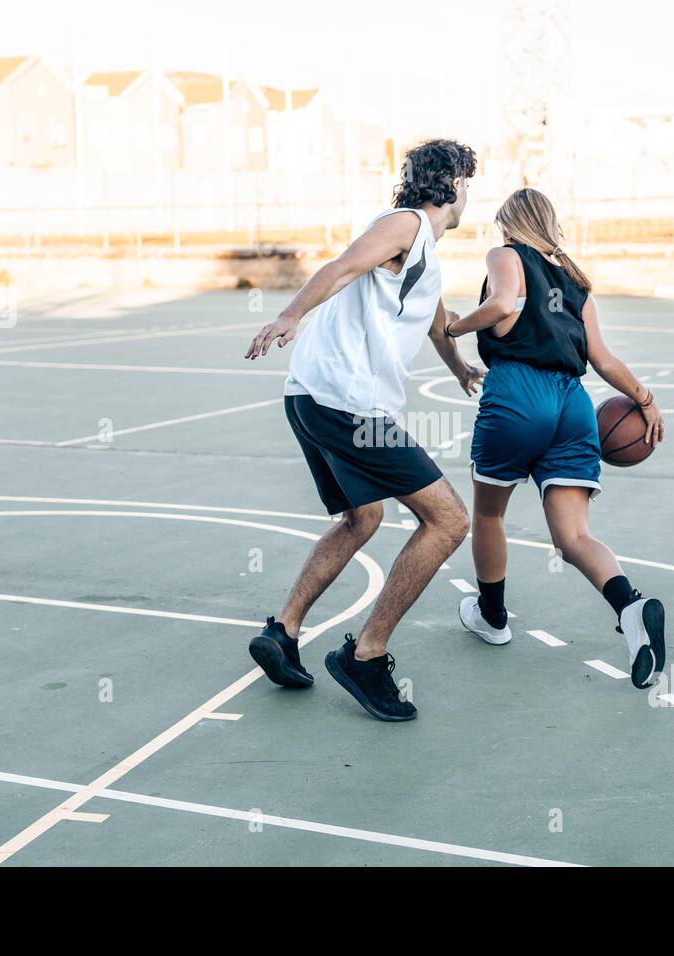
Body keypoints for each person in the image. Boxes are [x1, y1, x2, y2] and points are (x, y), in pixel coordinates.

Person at [243, 139, 483, 721]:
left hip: (310, 397)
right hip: (348, 406)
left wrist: (460, 370)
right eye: (469, 181)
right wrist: (289, 315)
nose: (472, 192)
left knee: (364, 516)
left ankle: (284, 630)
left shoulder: (421, 248)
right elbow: (343, 266)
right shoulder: (404, 224)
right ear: (451, 184)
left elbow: (433, 320)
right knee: (448, 519)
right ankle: (366, 655)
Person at [443, 187, 667, 689]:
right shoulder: (576, 283)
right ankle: (630, 609)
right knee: (575, 537)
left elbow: (501, 304)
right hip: (574, 405)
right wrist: (645, 399)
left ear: (512, 225)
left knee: (488, 513)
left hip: (519, 392)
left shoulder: (505, 255)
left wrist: (455, 327)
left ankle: (493, 619)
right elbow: (603, 360)